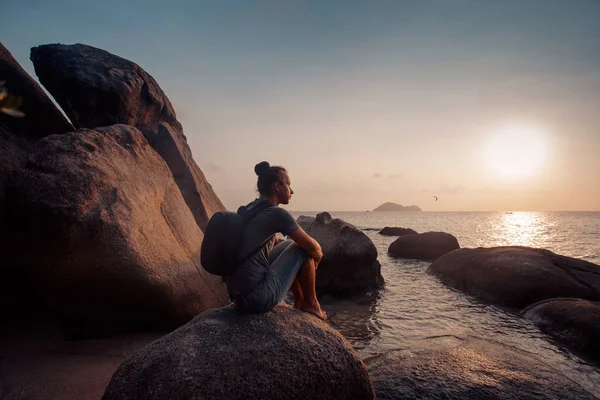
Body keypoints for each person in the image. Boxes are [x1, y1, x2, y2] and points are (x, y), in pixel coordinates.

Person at [226, 161, 326, 320]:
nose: (291, 190)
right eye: (288, 185)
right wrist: (316, 257)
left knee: (290, 244)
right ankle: (312, 304)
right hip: (256, 299)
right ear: (277, 186)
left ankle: (300, 300)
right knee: (303, 249)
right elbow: (313, 248)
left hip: (238, 296)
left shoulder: (252, 208)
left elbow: (277, 242)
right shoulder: (277, 214)